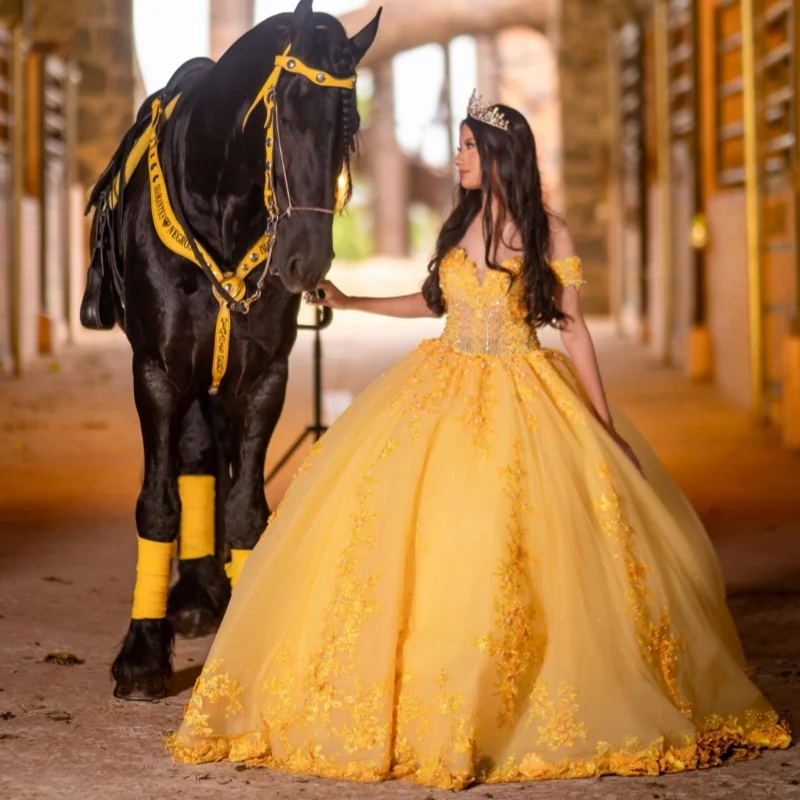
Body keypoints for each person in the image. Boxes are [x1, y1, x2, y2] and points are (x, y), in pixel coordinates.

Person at [166, 92, 789, 789]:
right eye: (460, 144)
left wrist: (602, 420)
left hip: (523, 386)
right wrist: (351, 301)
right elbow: (433, 303)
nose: (457, 157)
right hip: (441, 382)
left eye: (467, 147)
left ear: (497, 156)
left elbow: (574, 328)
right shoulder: (459, 222)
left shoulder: (549, 233)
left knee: (519, 538)